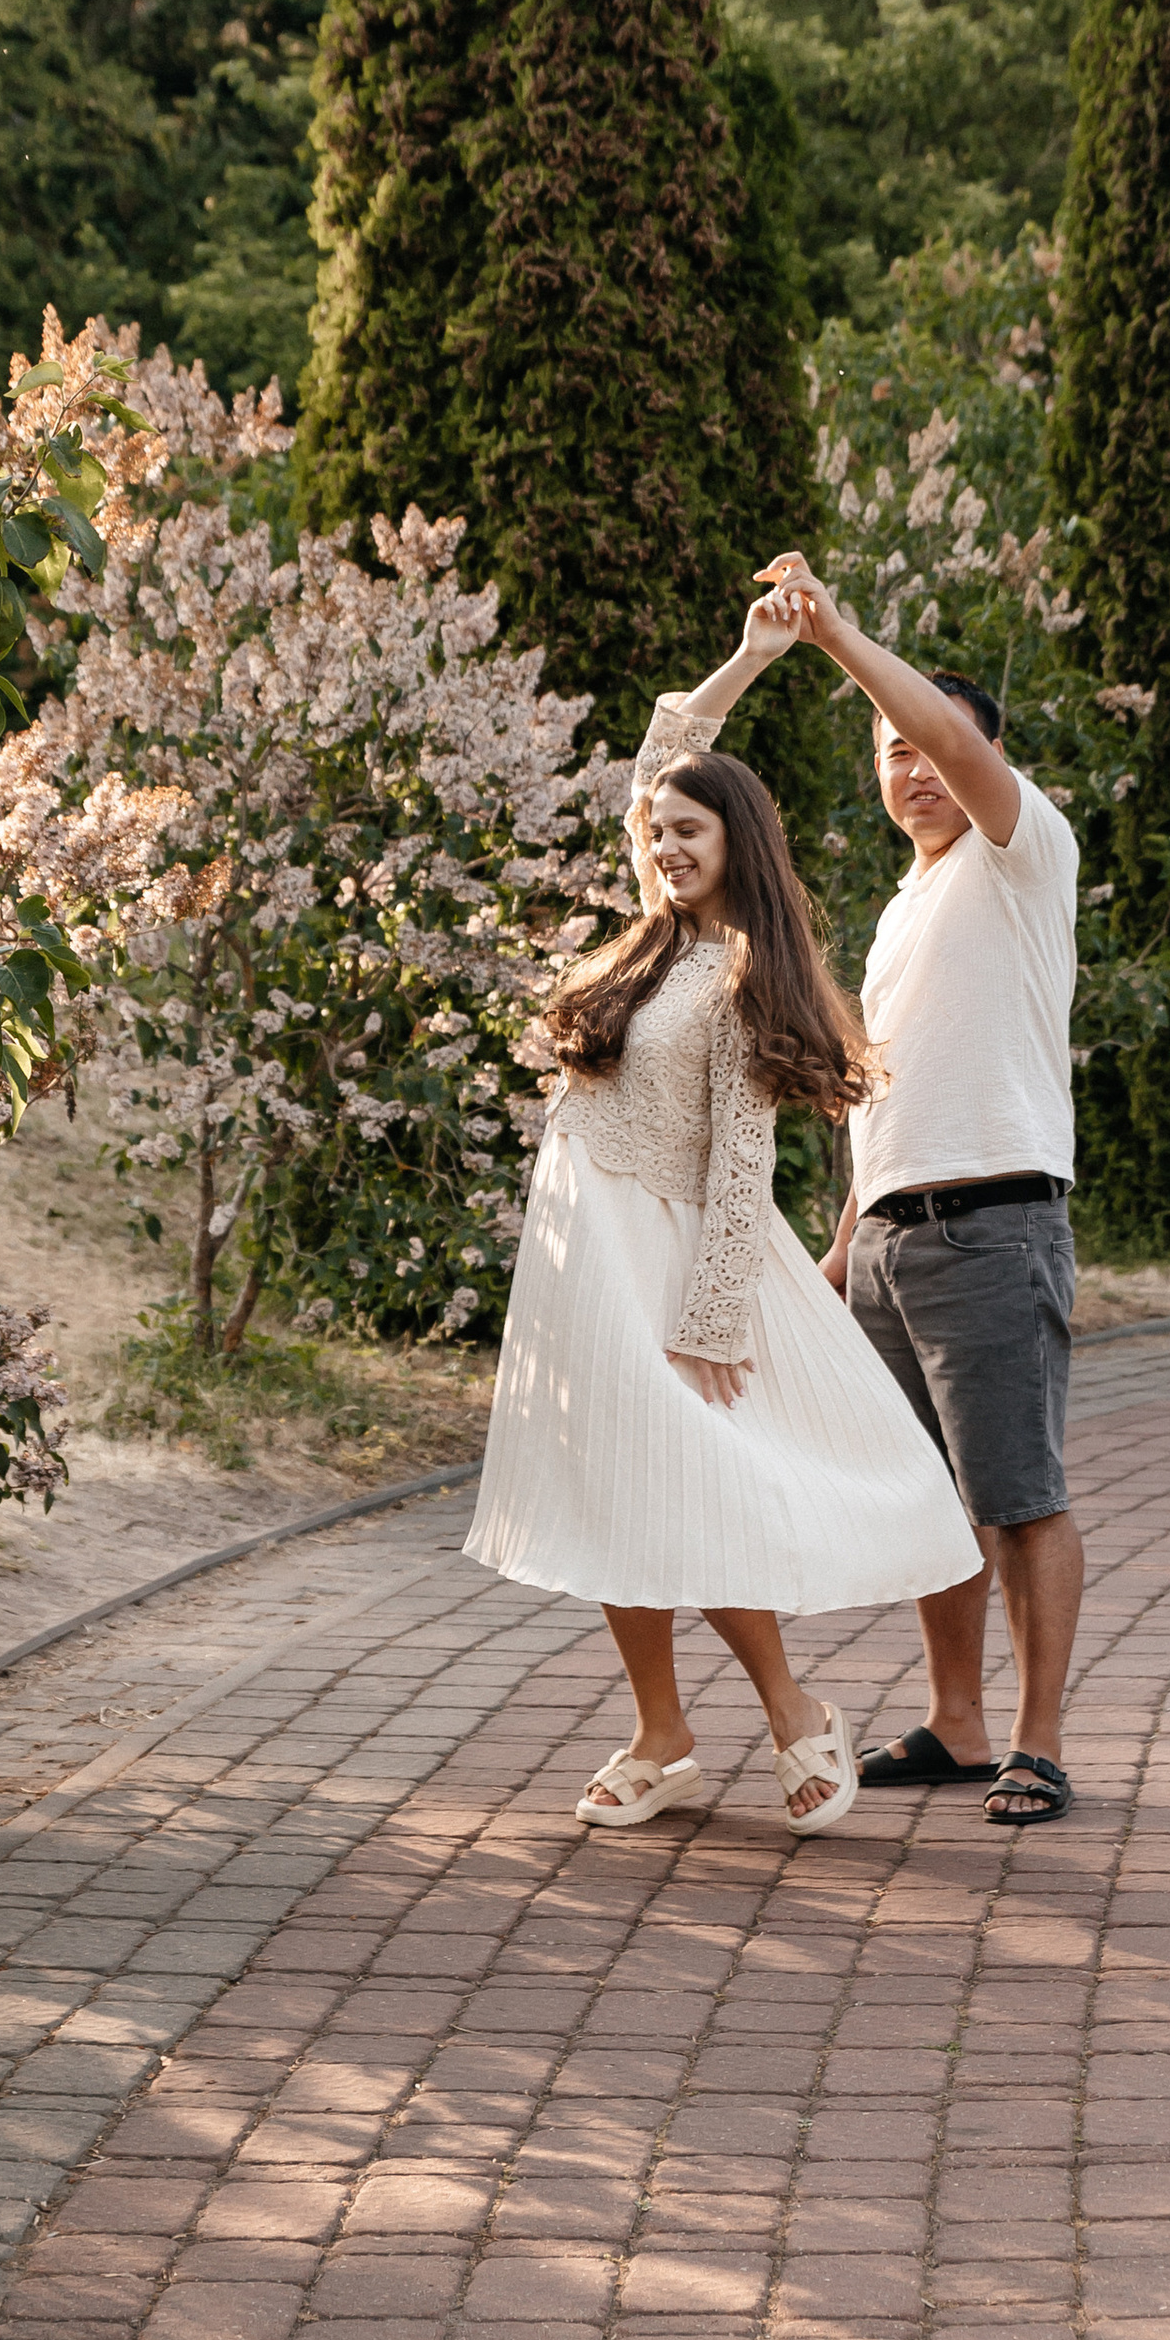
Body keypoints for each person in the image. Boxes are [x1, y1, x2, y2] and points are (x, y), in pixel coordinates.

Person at [464, 594, 982, 1834]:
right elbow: (662, 761)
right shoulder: (646, 945)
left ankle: (792, 1709)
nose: (662, 847)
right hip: (579, 1261)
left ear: (734, 840)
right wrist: (750, 656)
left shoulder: (743, 970)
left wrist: (711, 1318)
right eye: (654, 835)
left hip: (668, 1259)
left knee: (686, 1487)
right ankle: (660, 1730)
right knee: (606, 1493)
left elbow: (743, 1164)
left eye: (687, 832)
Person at [758, 555, 1083, 1831]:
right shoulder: (905, 908)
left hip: (995, 1226)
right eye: (886, 753)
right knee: (924, 1504)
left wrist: (834, 634)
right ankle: (954, 1725)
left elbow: (950, 729)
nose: (910, 767)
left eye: (928, 746)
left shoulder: (1021, 852)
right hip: (894, 1238)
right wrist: (841, 1250)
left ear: (986, 760)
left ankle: (1035, 1740)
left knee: (1018, 1499)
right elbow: (883, 1105)